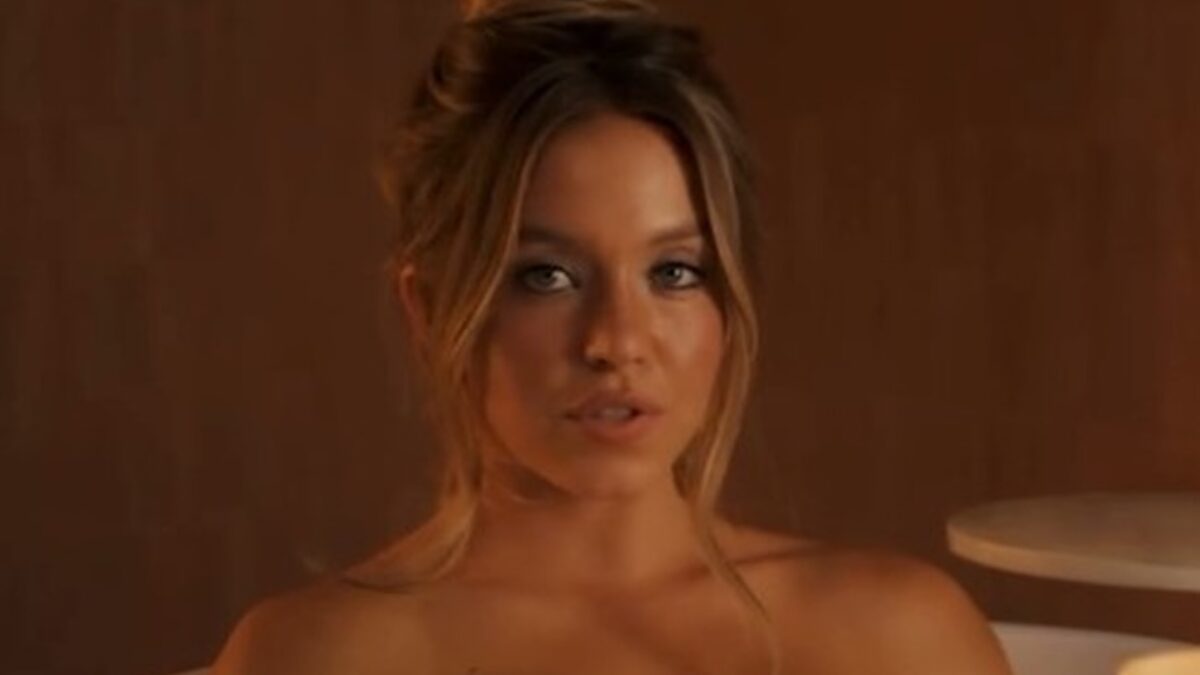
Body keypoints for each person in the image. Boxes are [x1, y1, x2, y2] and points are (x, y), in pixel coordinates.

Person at [212, 1, 1012, 673]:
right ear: (428, 308)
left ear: (728, 300)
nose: (617, 341)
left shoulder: (896, 637)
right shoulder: (315, 655)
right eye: (547, 276)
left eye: (674, 272)